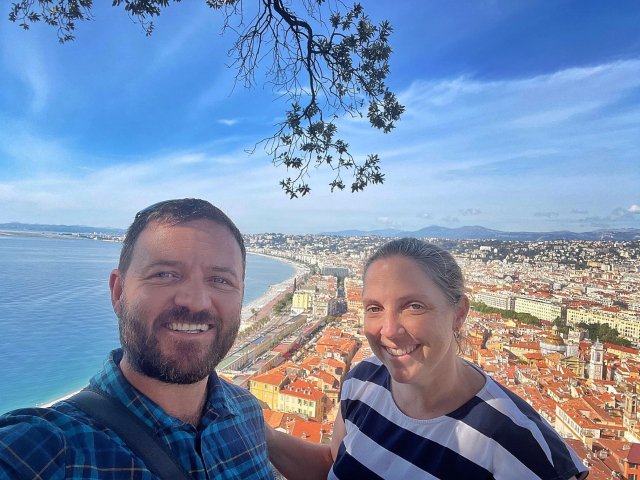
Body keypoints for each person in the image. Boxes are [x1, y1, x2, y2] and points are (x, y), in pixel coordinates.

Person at [267, 238, 589, 479]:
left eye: (414, 306)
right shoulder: (361, 381)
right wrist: (255, 428)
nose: (389, 330)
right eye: (374, 308)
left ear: (458, 314)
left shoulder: (520, 445)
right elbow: (331, 466)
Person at [0, 198, 274, 479]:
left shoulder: (247, 413)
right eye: (164, 274)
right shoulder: (50, 450)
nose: (195, 301)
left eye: (220, 280)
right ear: (118, 293)